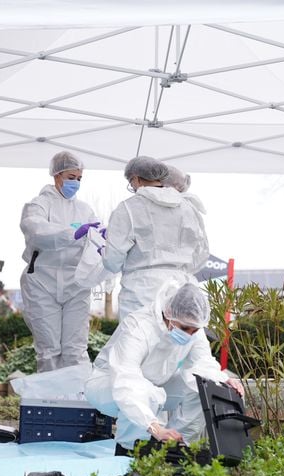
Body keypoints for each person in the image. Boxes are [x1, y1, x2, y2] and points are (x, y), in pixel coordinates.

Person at [84, 282, 244, 455]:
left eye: (195, 330)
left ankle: (175, 448)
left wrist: (223, 380)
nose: (189, 335)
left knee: (202, 386)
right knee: (146, 392)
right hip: (107, 385)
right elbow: (126, 380)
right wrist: (154, 428)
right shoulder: (139, 327)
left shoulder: (193, 331)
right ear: (169, 313)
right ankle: (130, 450)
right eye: (184, 328)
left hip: (156, 384)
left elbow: (203, 362)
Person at [102, 156, 209, 320]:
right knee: (175, 342)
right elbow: (201, 254)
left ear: (136, 179)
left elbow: (112, 260)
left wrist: (104, 250)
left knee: (138, 342)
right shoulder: (188, 208)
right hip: (181, 287)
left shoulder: (129, 207)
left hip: (141, 290)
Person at [20, 151, 99, 372]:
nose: (76, 183)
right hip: (43, 282)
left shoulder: (85, 210)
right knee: (49, 350)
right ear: (57, 175)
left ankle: (76, 401)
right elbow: (35, 230)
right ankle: (50, 402)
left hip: (77, 283)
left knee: (76, 350)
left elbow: (96, 240)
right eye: (71, 177)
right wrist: (71, 233)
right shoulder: (39, 205)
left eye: (79, 179)